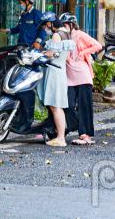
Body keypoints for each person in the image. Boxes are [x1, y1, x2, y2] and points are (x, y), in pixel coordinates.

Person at [60, 12, 102, 145]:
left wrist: (83, 53)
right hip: (70, 76)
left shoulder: (80, 34)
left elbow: (98, 45)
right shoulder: (62, 37)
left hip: (83, 75)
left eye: (65, 24)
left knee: (84, 106)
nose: (63, 27)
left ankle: (85, 134)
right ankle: (79, 128)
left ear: (71, 25)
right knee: (68, 104)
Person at [37, 19, 74, 147]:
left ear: (51, 24)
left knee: (55, 106)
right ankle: (60, 136)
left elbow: (55, 54)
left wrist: (43, 53)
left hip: (54, 71)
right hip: (60, 70)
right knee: (56, 105)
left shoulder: (57, 35)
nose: (46, 28)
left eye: (47, 26)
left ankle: (60, 138)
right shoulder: (66, 33)